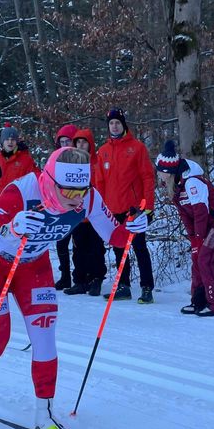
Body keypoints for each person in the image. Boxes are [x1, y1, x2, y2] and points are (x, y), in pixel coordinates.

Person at [0, 147, 148, 429]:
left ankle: (44, 413)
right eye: (68, 191)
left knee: (45, 339)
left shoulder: (89, 198)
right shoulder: (21, 192)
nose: (76, 199)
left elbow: (114, 236)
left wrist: (133, 228)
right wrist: (11, 230)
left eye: (81, 191)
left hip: (33, 266)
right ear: (50, 180)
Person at [155, 141, 214, 316]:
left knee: (205, 259)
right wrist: (193, 238)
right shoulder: (174, 186)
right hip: (204, 225)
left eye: (160, 171)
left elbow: (201, 211)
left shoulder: (191, 182)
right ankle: (198, 301)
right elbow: (185, 214)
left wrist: (199, 237)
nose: (158, 174)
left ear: (168, 172)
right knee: (196, 257)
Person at [95, 108, 156, 303]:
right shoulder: (103, 151)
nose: (114, 126)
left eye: (117, 123)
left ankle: (147, 288)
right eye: (111, 123)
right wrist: (101, 208)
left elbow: (147, 177)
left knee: (139, 247)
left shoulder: (137, 148)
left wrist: (147, 206)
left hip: (134, 208)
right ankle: (123, 286)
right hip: (113, 208)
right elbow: (100, 182)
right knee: (119, 248)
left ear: (123, 125)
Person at [62, 128, 107, 296]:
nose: (81, 145)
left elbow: (102, 185)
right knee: (78, 248)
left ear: (90, 144)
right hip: (77, 213)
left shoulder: (97, 162)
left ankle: (96, 279)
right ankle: (80, 280)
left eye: (84, 142)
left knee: (96, 248)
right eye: (78, 142)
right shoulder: (71, 163)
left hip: (94, 212)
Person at [0, 123, 37, 208]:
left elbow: (35, 182)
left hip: (18, 207)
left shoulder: (26, 160)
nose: (10, 142)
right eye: (7, 139)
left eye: (13, 139)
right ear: (2, 141)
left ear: (17, 141)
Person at [52, 124, 79, 289]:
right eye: (62, 142)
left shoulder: (81, 159)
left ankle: (79, 276)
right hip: (60, 206)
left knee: (77, 244)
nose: (65, 144)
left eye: (68, 141)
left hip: (77, 206)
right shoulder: (55, 159)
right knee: (61, 242)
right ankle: (65, 276)